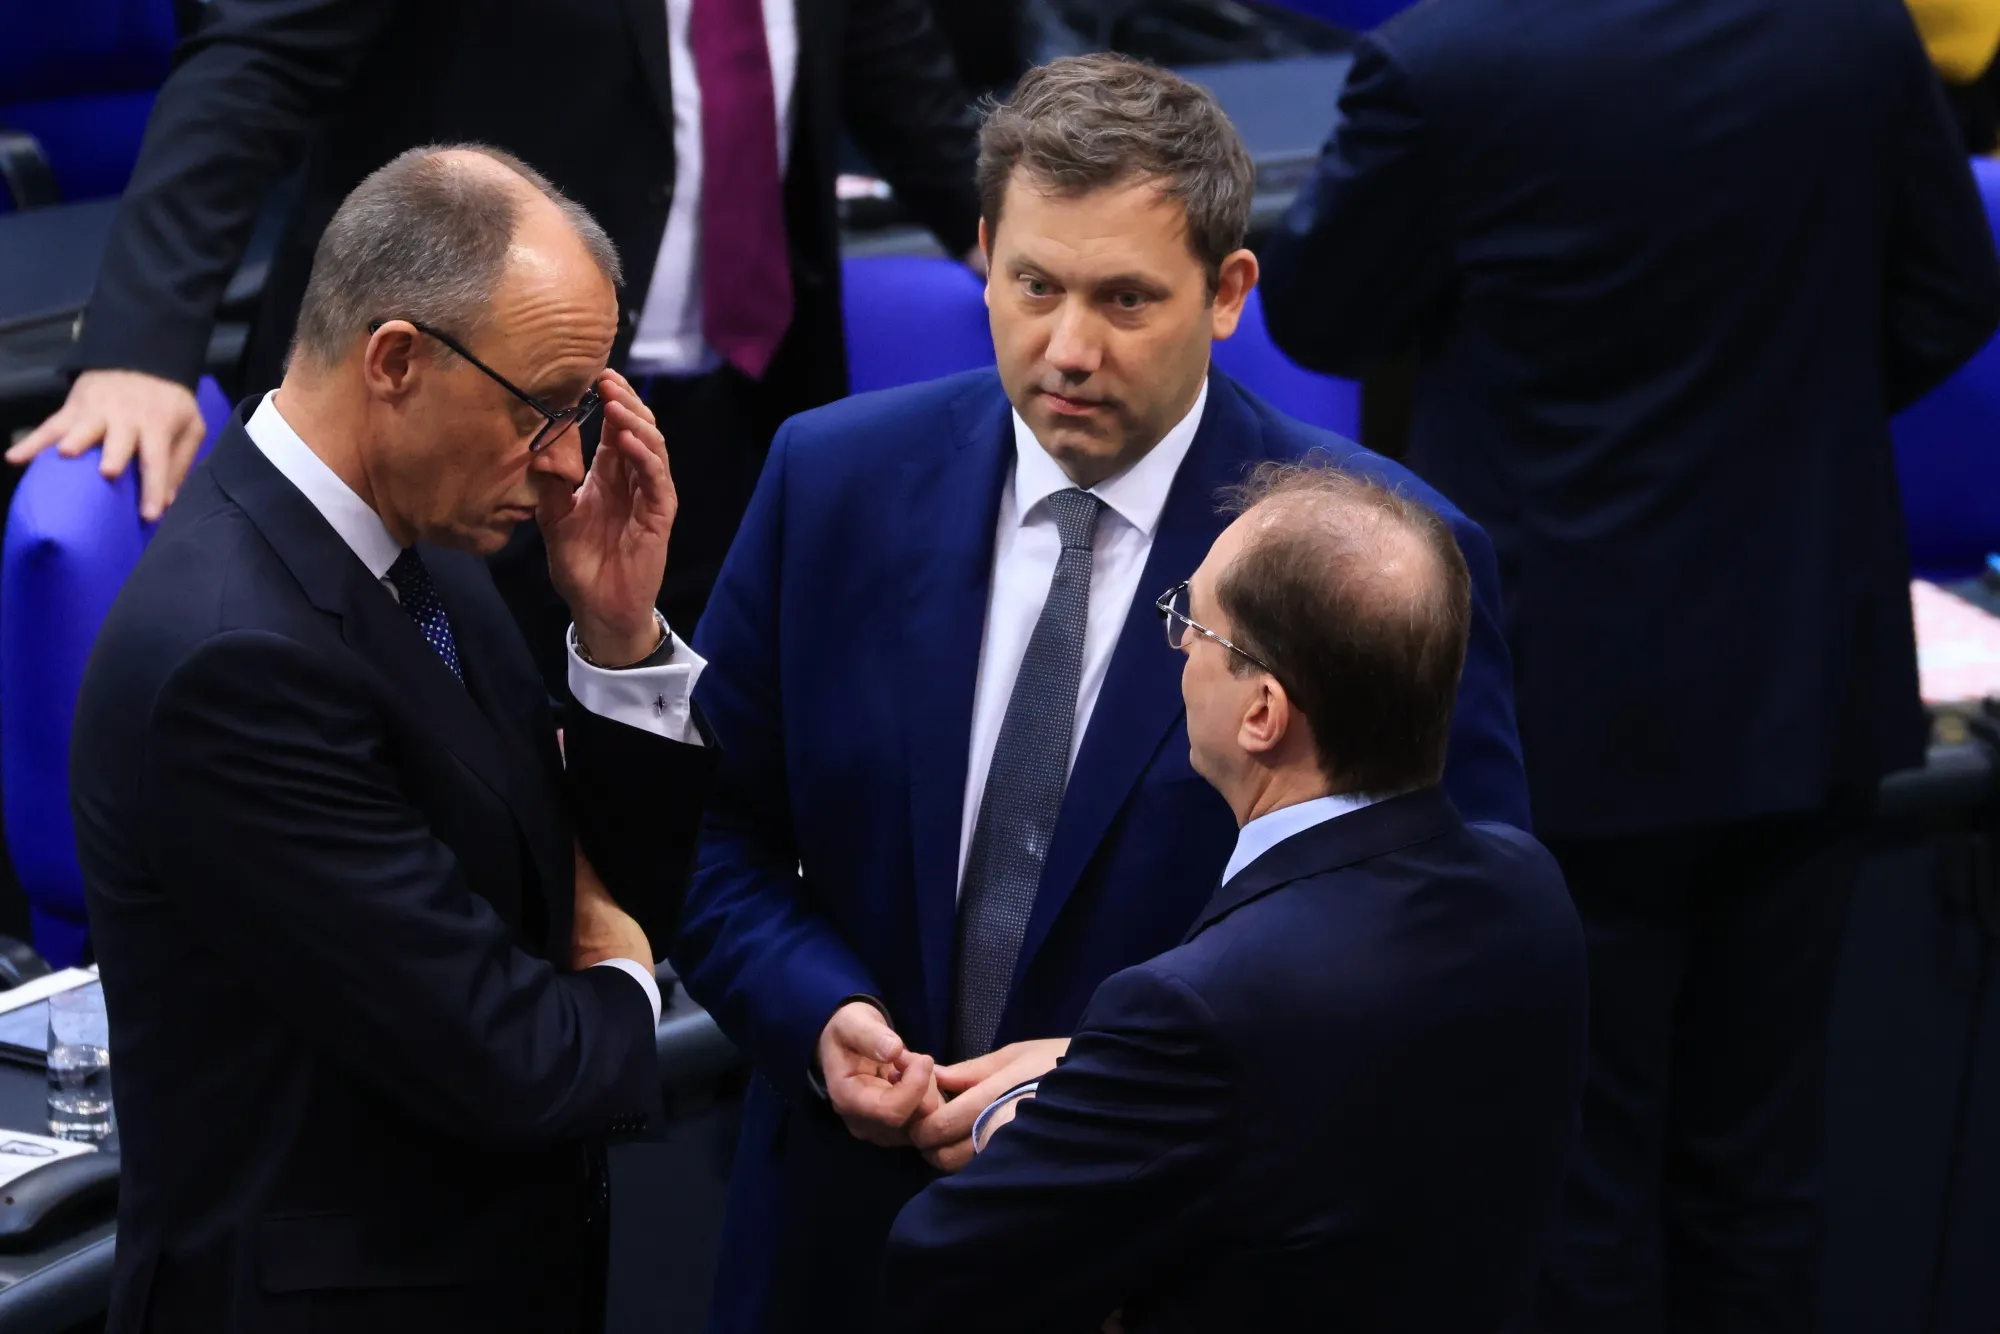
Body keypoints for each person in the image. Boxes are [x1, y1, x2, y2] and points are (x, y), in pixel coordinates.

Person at [673, 54, 1531, 1334]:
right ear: (981, 255)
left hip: (1165, 1265)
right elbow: (706, 829)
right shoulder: (829, 480)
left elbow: (1450, 947)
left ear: (1227, 292)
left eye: (1125, 299)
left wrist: (1106, 1079)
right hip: (839, 1244)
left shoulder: (1375, 559)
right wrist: (817, 1011)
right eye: (1034, 286)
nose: (1068, 350)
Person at [1257, 1, 2000, 1329]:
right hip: (1798, 674)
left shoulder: (1442, 64)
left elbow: (1319, 313)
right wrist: (1791, 416)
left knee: (1570, 1187)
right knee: (1760, 1182)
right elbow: (1953, 289)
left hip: (1563, 707)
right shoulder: (1852, 32)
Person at [69, 146, 716, 1334]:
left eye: (580, 410)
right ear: (397, 360)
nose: (567, 460)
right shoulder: (233, 664)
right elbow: (515, 1057)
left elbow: (604, 885)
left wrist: (617, 635)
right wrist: (624, 970)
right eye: (539, 407)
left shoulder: (421, 545)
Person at [7, 0, 982, 653]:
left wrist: (1016, 241)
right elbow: (256, 61)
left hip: (737, 409)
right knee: (469, 802)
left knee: (684, 776)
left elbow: (896, 75)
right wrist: (140, 346)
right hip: (470, 423)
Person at [882, 463, 1588, 1334]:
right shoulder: (1530, 888)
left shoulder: (1197, 1009)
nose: (1178, 646)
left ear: (1263, 713)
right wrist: (1103, 1070)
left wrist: (1024, 1115)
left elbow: (943, 1266)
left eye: (1192, 622)